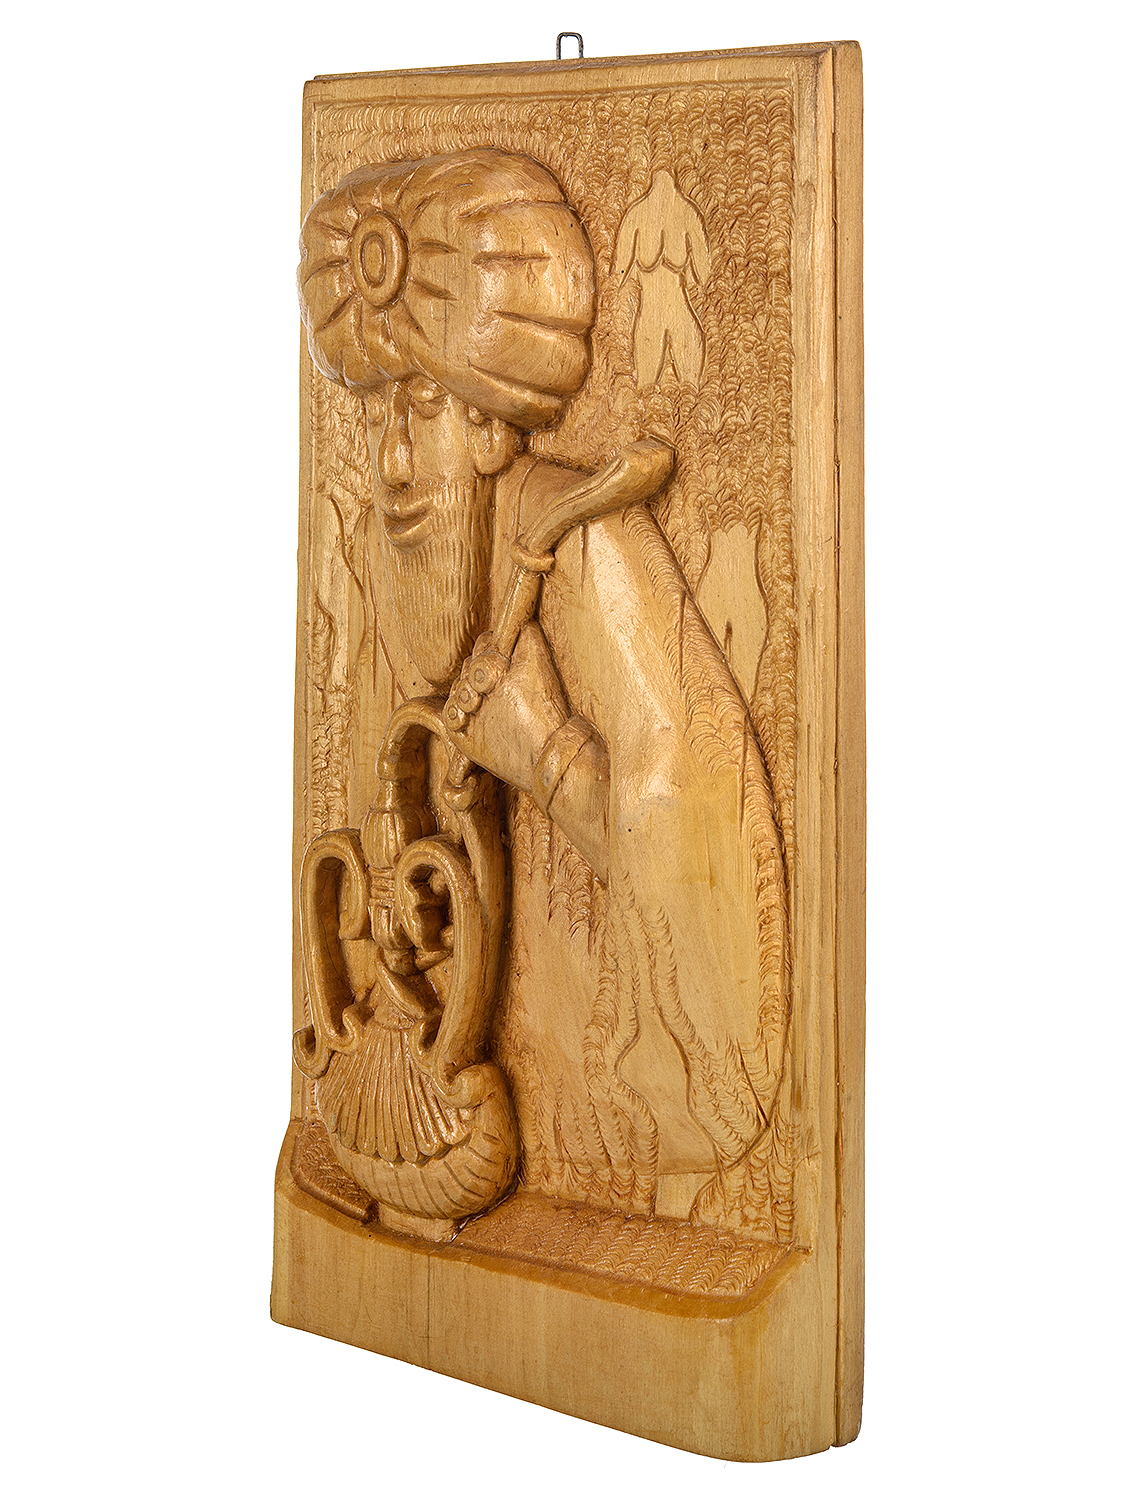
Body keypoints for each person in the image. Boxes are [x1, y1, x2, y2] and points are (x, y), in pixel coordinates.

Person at [298, 147, 791, 1239]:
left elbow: (703, 893)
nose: (389, 461)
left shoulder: (590, 545)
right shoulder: (393, 547)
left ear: (489, 422)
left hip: (629, 1117)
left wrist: (548, 753)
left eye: (423, 403)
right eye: (377, 412)